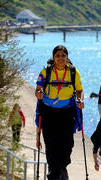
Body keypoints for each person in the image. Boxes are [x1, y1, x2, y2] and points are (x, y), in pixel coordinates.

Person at [35, 45, 84, 180]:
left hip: (66, 112)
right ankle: (55, 173)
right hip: (48, 112)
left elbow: (79, 90)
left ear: (67, 57)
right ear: (53, 57)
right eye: (58, 56)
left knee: (68, 144)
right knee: (50, 143)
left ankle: (62, 167)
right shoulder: (46, 71)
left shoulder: (73, 72)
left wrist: (80, 100)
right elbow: (38, 88)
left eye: (63, 55)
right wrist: (39, 93)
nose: (60, 58)